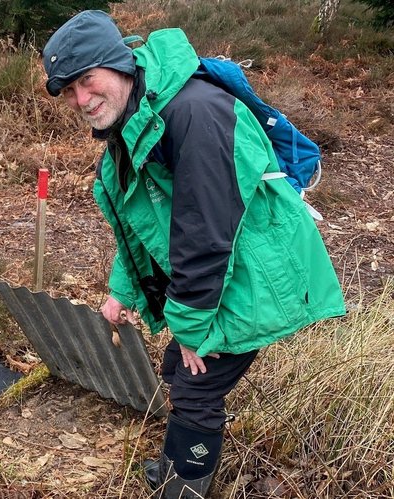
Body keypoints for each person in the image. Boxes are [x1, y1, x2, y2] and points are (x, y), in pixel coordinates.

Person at [43, 10, 345, 498]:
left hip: (251, 270)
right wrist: (123, 289)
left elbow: (204, 234)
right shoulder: (136, 114)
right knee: (178, 369)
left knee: (196, 382)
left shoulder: (194, 113)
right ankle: (176, 464)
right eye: (69, 91)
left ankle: (185, 487)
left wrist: (190, 327)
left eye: (86, 81)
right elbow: (143, 219)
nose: (81, 100)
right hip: (222, 265)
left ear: (118, 62)